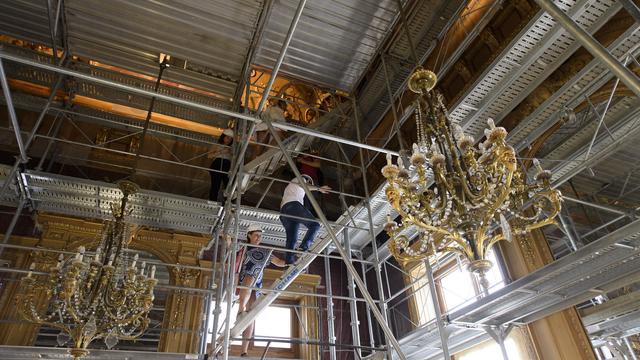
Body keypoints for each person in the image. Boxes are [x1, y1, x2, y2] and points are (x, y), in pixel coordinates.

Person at [235, 223, 286, 357]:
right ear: (249, 236)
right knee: (249, 278)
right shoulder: (243, 248)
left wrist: (292, 263)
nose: (259, 238)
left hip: (257, 284)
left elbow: (279, 262)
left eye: (260, 236)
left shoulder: (264, 252)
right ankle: (241, 310)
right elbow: (231, 249)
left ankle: (244, 351)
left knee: (251, 318)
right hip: (244, 280)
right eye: (256, 235)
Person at [279, 174, 330, 264]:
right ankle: (304, 247)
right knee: (315, 225)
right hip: (292, 206)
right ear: (308, 180)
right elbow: (303, 185)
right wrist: (318, 188)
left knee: (292, 239)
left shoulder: (291, 189)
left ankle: (289, 262)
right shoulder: (300, 179)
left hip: (284, 213)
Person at [208, 129, 233, 202]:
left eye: (231, 139)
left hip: (227, 165)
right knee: (215, 185)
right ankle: (212, 202)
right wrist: (221, 151)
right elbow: (209, 156)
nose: (229, 140)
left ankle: (227, 202)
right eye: (227, 137)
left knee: (228, 185)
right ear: (223, 137)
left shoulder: (232, 148)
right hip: (217, 163)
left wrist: (231, 153)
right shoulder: (216, 145)